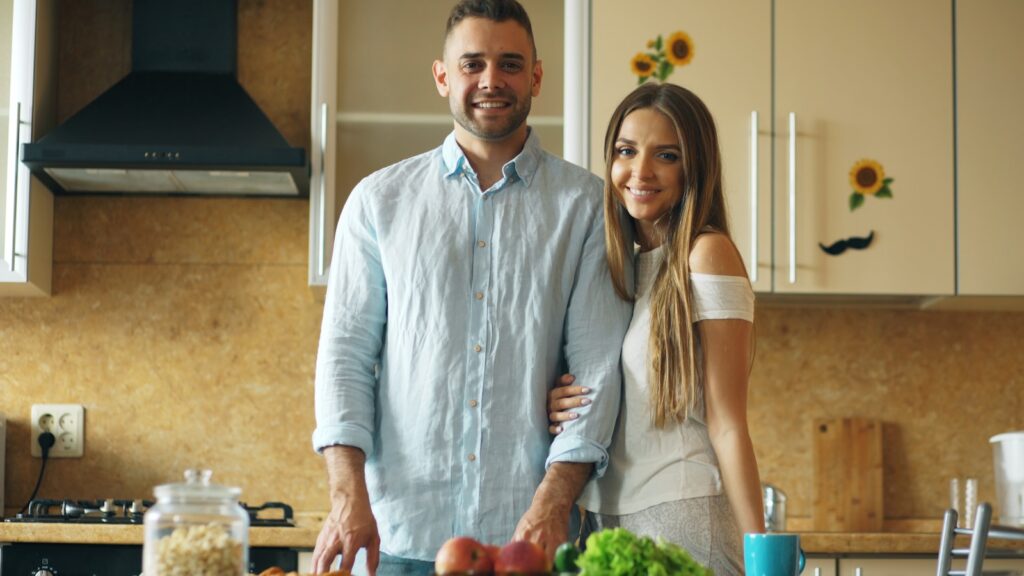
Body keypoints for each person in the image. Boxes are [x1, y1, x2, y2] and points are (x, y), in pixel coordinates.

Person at [310, 1, 632, 574]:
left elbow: (595, 371)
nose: (491, 80)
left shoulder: (588, 207)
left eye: (510, 64)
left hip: (529, 540)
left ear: (536, 75)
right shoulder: (378, 202)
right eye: (472, 64)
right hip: (396, 535)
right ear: (442, 77)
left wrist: (551, 505)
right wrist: (346, 495)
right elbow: (345, 360)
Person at [547, 82, 766, 575]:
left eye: (665, 155)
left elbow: (728, 422)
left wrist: (761, 554)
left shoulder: (706, 255)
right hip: (603, 521)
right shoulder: (616, 265)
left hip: (682, 516)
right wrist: (560, 398)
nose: (640, 172)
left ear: (694, 167)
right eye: (626, 151)